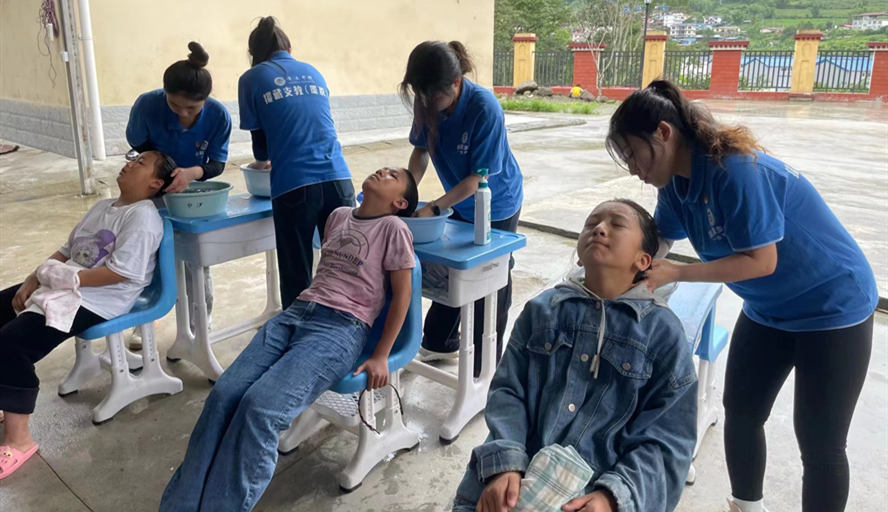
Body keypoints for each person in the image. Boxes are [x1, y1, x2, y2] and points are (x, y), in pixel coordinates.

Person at [606, 80, 878, 512]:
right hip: (768, 308)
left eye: (633, 153)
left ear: (663, 133)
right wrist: (616, 269)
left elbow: (761, 261)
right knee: (743, 411)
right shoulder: (674, 184)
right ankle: (747, 508)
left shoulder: (734, 171)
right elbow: (660, 244)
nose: (633, 169)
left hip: (832, 305)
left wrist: (680, 273)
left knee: (821, 441)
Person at [159, 167, 419, 511]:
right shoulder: (338, 216)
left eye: (393, 176)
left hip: (341, 328)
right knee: (223, 394)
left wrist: (382, 355)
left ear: (400, 202)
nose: (383, 170)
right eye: (384, 169)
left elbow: (402, 296)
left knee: (260, 407)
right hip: (296, 314)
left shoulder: (394, 228)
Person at [452, 200, 697, 512]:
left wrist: (614, 498)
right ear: (579, 256)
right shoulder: (542, 311)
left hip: (597, 494)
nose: (599, 229)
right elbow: (508, 392)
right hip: (513, 482)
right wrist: (505, 463)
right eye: (591, 223)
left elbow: (669, 440)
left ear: (643, 260)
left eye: (617, 224)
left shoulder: (663, 334)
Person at [0, 151, 175, 480]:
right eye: (132, 159)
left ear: (156, 183)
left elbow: (120, 273)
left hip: (98, 299)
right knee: (2, 307)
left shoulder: (143, 217)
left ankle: (19, 440)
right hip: (66, 283)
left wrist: (66, 278)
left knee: (11, 344)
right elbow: (66, 251)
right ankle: (4, 395)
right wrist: (34, 277)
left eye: (140, 163)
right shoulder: (103, 207)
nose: (130, 163)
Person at [400, 40, 524, 375]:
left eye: (434, 97)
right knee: (451, 268)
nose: (427, 103)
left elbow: (477, 180)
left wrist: (434, 208)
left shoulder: (484, 108)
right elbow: (420, 151)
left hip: (495, 202)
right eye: (421, 95)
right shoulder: (427, 98)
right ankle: (438, 342)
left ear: (456, 83)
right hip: (457, 197)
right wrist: (407, 192)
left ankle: (486, 367)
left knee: (490, 275)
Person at [238, 16, 354, 309]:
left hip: (294, 184)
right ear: (288, 48)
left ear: (254, 53)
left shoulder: (251, 78)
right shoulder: (312, 71)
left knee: (296, 273)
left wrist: (263, 162)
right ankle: (341, 329)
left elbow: (260, 145)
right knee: (345, 268)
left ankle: (296, 331)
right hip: (340, 180)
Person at [126, 41, 232, 348]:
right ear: (164, 93)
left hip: (191, 193)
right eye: (175, 106)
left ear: (205, 101)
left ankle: (201, 322)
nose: (183, 113)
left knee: (195, 259)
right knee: (146, 255)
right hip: (153, 188)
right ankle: (145, 318)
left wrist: (191, 173)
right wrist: (163, 172)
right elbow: (139, 146)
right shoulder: (147, 105)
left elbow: (217, 163)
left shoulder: (219, 116)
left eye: (192, 108)